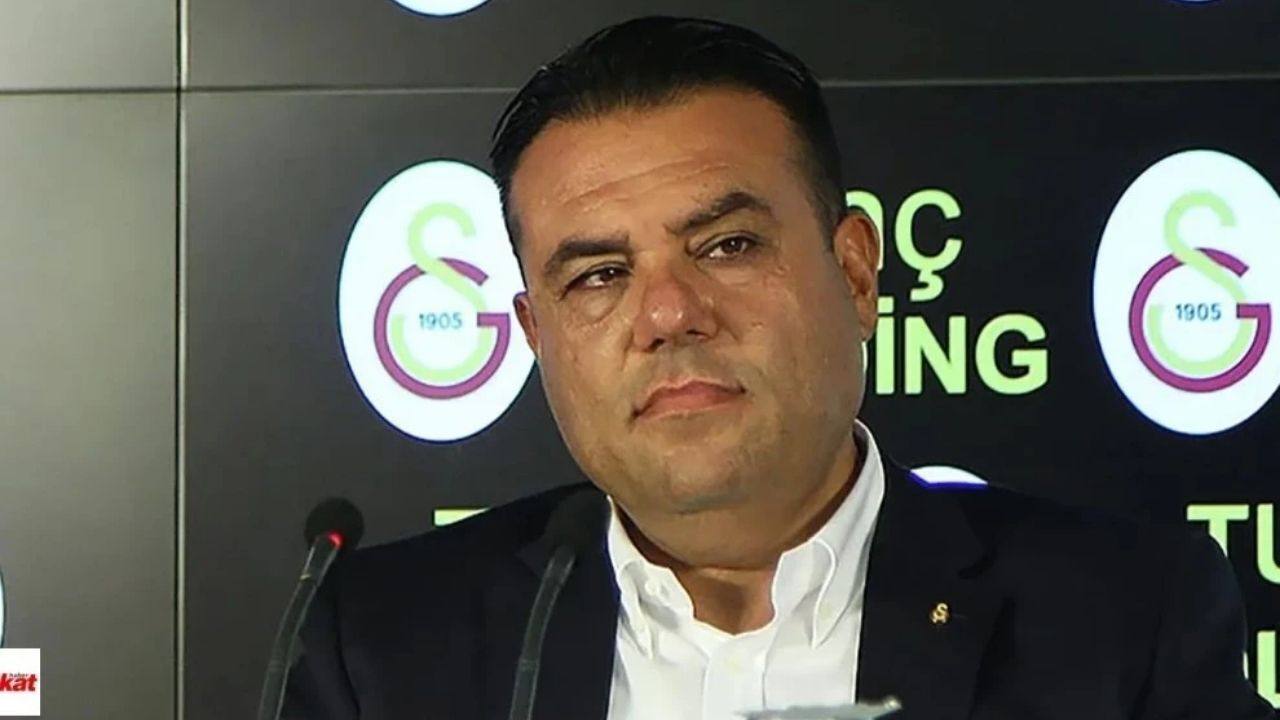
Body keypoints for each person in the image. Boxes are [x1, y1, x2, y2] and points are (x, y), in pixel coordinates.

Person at [282, 16, 1274, 720]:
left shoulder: (1122, 621)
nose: (668, 314)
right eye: (600, 275)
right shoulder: (379, 650)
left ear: (855, 274)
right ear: (537, 337)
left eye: (726, 247)